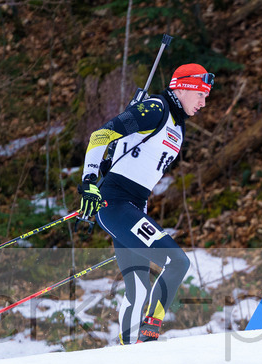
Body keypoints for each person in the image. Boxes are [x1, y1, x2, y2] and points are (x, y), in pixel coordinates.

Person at [77, 64, 211, 344]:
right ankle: (148, 338)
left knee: (138, 290)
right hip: (114, 203)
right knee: (177, 262)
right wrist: (89, 181)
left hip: (133, 208)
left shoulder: (178, 123)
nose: (203, 102)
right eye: (201, 94)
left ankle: (129, 352)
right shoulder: (155, 108)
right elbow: (101, 135)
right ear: (183, 87)